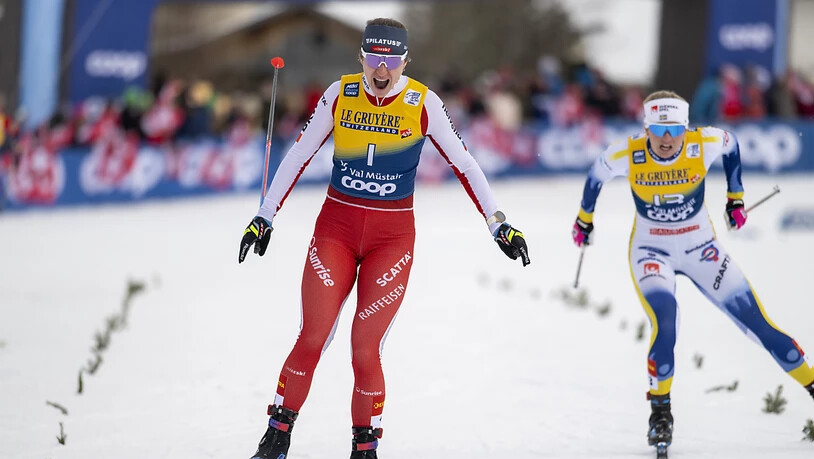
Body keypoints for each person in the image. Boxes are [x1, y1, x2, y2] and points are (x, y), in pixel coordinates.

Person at [238, 18, 530, 459]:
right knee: (313, 336)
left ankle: (365, 446)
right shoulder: (340, 94)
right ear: (361, 58)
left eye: (390, 61)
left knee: (364, 347)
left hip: (391, 241)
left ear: (404, 62)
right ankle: (278, 433)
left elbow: (465, 164)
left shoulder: (422, 103)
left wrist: (497, 222)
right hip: (335, 231)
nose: (381, 70)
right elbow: (299, 152)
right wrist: (265, 215)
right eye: (374, 58)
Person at [571, 90, 814, 451]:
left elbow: (732, 147)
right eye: (658, 129)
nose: (667, 139)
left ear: (686, 127)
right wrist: (584, 219)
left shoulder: (705, 142)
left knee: (761, 326)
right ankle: (661, 414)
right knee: (666, 323)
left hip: (702, 250)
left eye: (674, 130)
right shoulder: (627, 153)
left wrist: (735, 198)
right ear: (646, 127)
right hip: (651, 252)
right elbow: (595, 176)